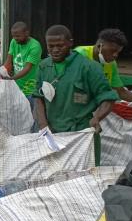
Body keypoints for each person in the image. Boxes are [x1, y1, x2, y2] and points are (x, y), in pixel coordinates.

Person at [32, 25, 118, 166]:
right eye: (50, 46)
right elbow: (39, 97)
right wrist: (43, 125)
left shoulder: (89, 67)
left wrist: (97, 118)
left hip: (81, 135)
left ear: (70, 43)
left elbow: (107, 98)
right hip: (53, 134)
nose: (55, 50)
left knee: (84, 178)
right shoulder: (43, 66)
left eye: (60, 46)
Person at [74, 29, 132, 102]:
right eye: (112, 51)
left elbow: (121, 92)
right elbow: (70, 90)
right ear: (99, 46)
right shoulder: (79, 55)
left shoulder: (111, 63)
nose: (115, 55)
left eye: (118, 52)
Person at [2, 22, 42, 116]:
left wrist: (12, 79)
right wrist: (2, 72)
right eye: (14, 36)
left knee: (31, 114)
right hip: (17, 86)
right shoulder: (14, 42)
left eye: (18, 36)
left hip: (31, 87)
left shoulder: (35, 46)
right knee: (19, 114)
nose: (16, 39)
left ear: (27, 33)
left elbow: (27, 68)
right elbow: (9, 60)